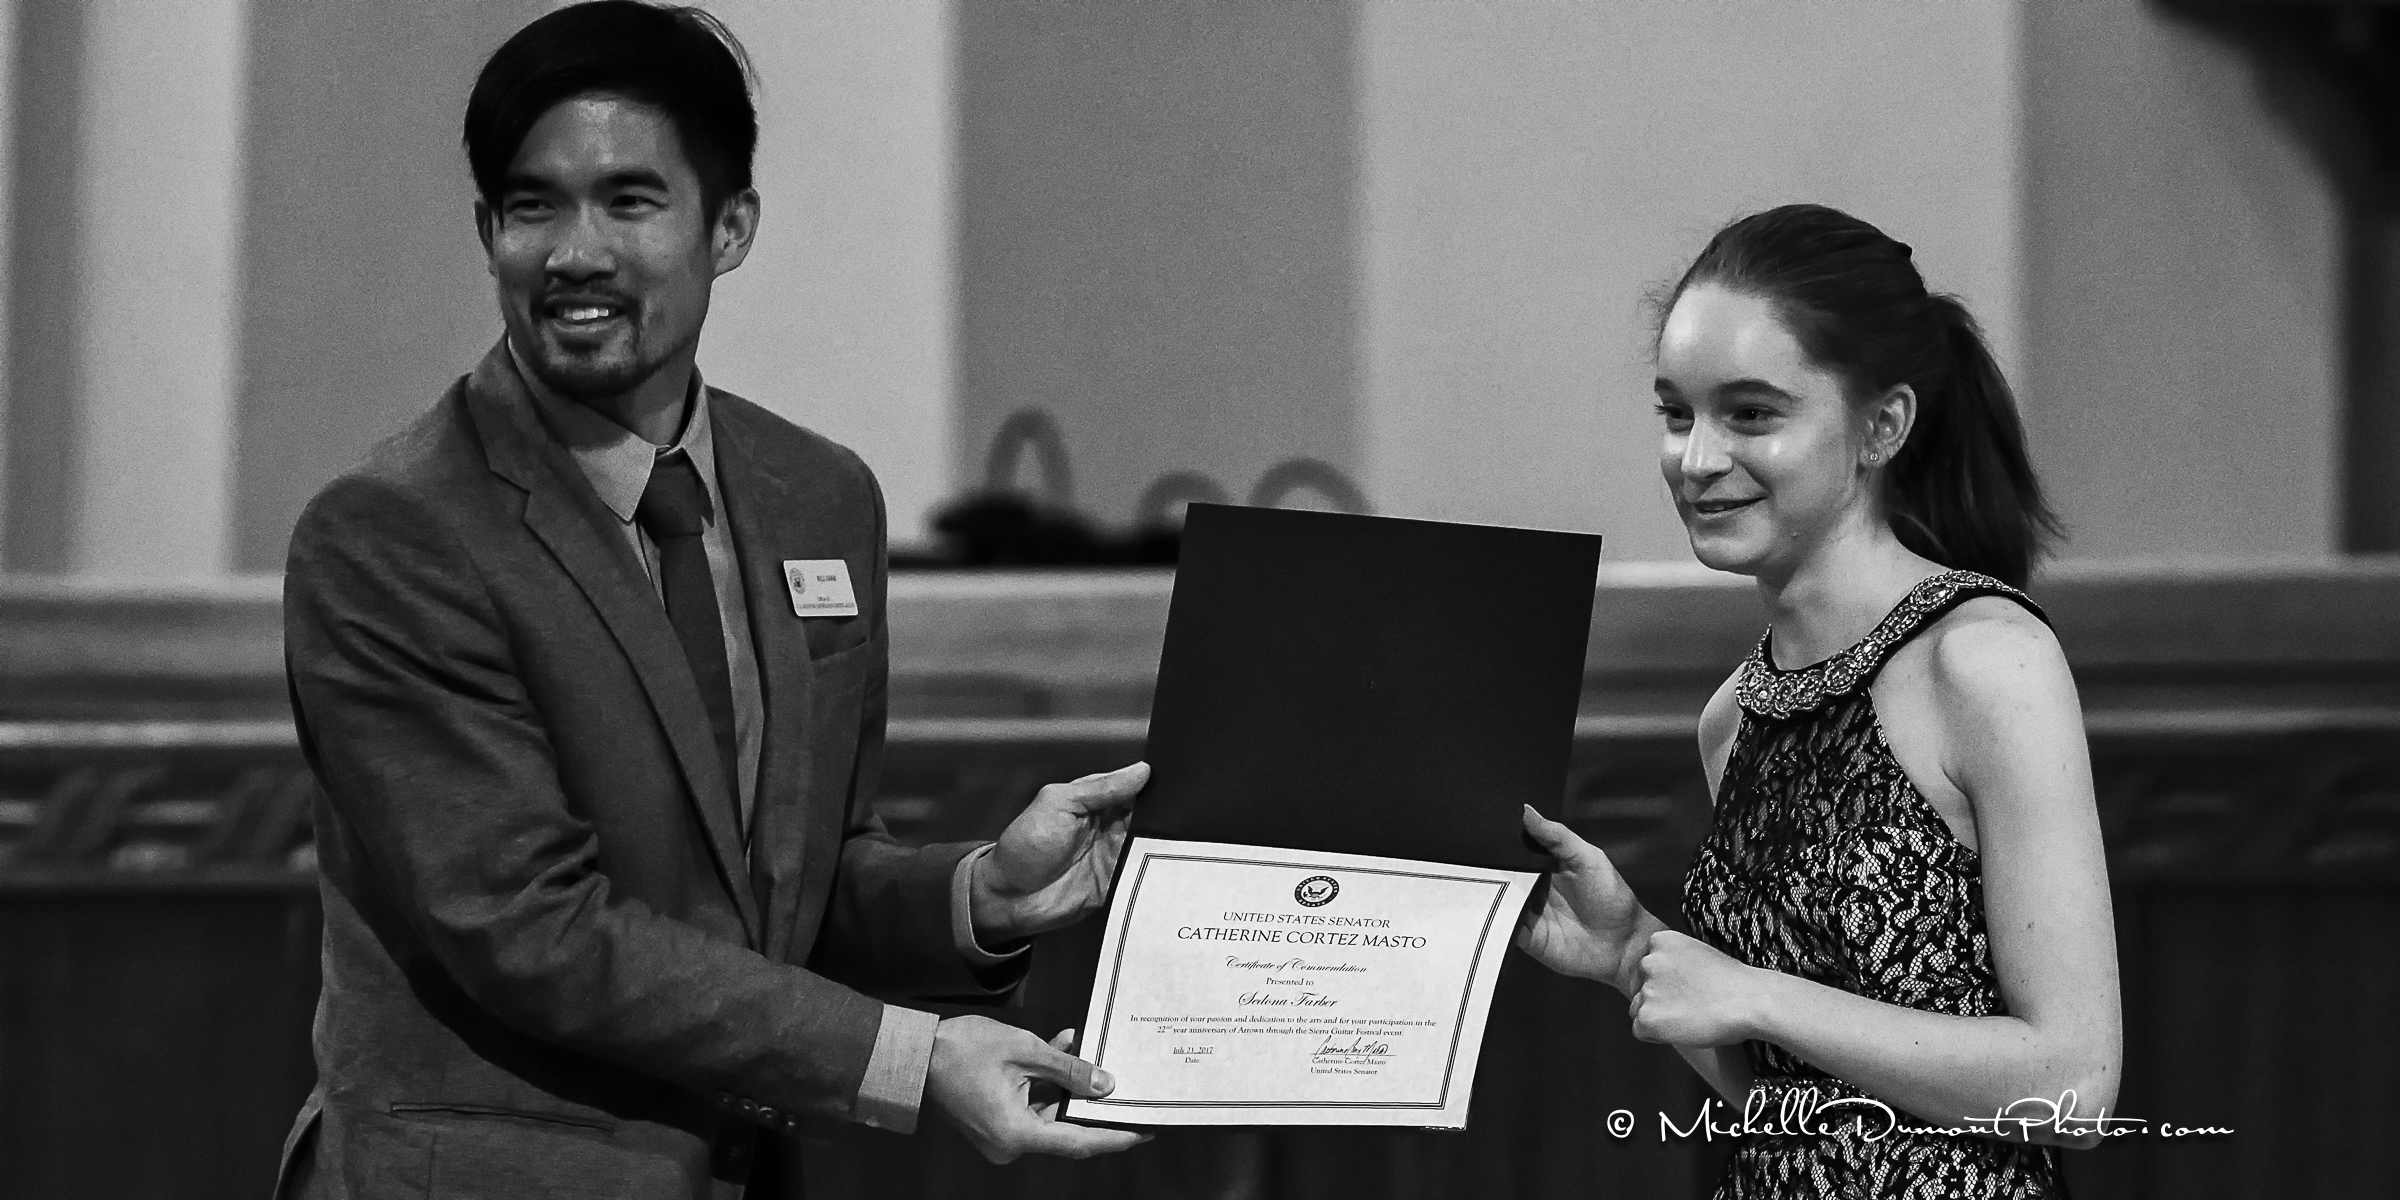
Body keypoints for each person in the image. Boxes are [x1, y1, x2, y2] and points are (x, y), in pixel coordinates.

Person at [273, 4, 1149, 1196]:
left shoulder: (819, 497)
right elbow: (531, 931)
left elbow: (790, 891)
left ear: (730, 227)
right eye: (534, 207)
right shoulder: (394, 532)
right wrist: (914, 1058)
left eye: (629, 202)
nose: (575, 252)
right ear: (487, 232)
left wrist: (983, 894)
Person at [1516, 204, 2121, 1197]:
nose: (1697, 459)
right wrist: (1630, 950)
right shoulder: (1733, 717)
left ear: (1883, 425)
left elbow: (2074, 1089)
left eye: (1751, 414)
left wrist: (1755, 995)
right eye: (1677, 414)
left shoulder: (1984, 660)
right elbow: (1799, 1107)